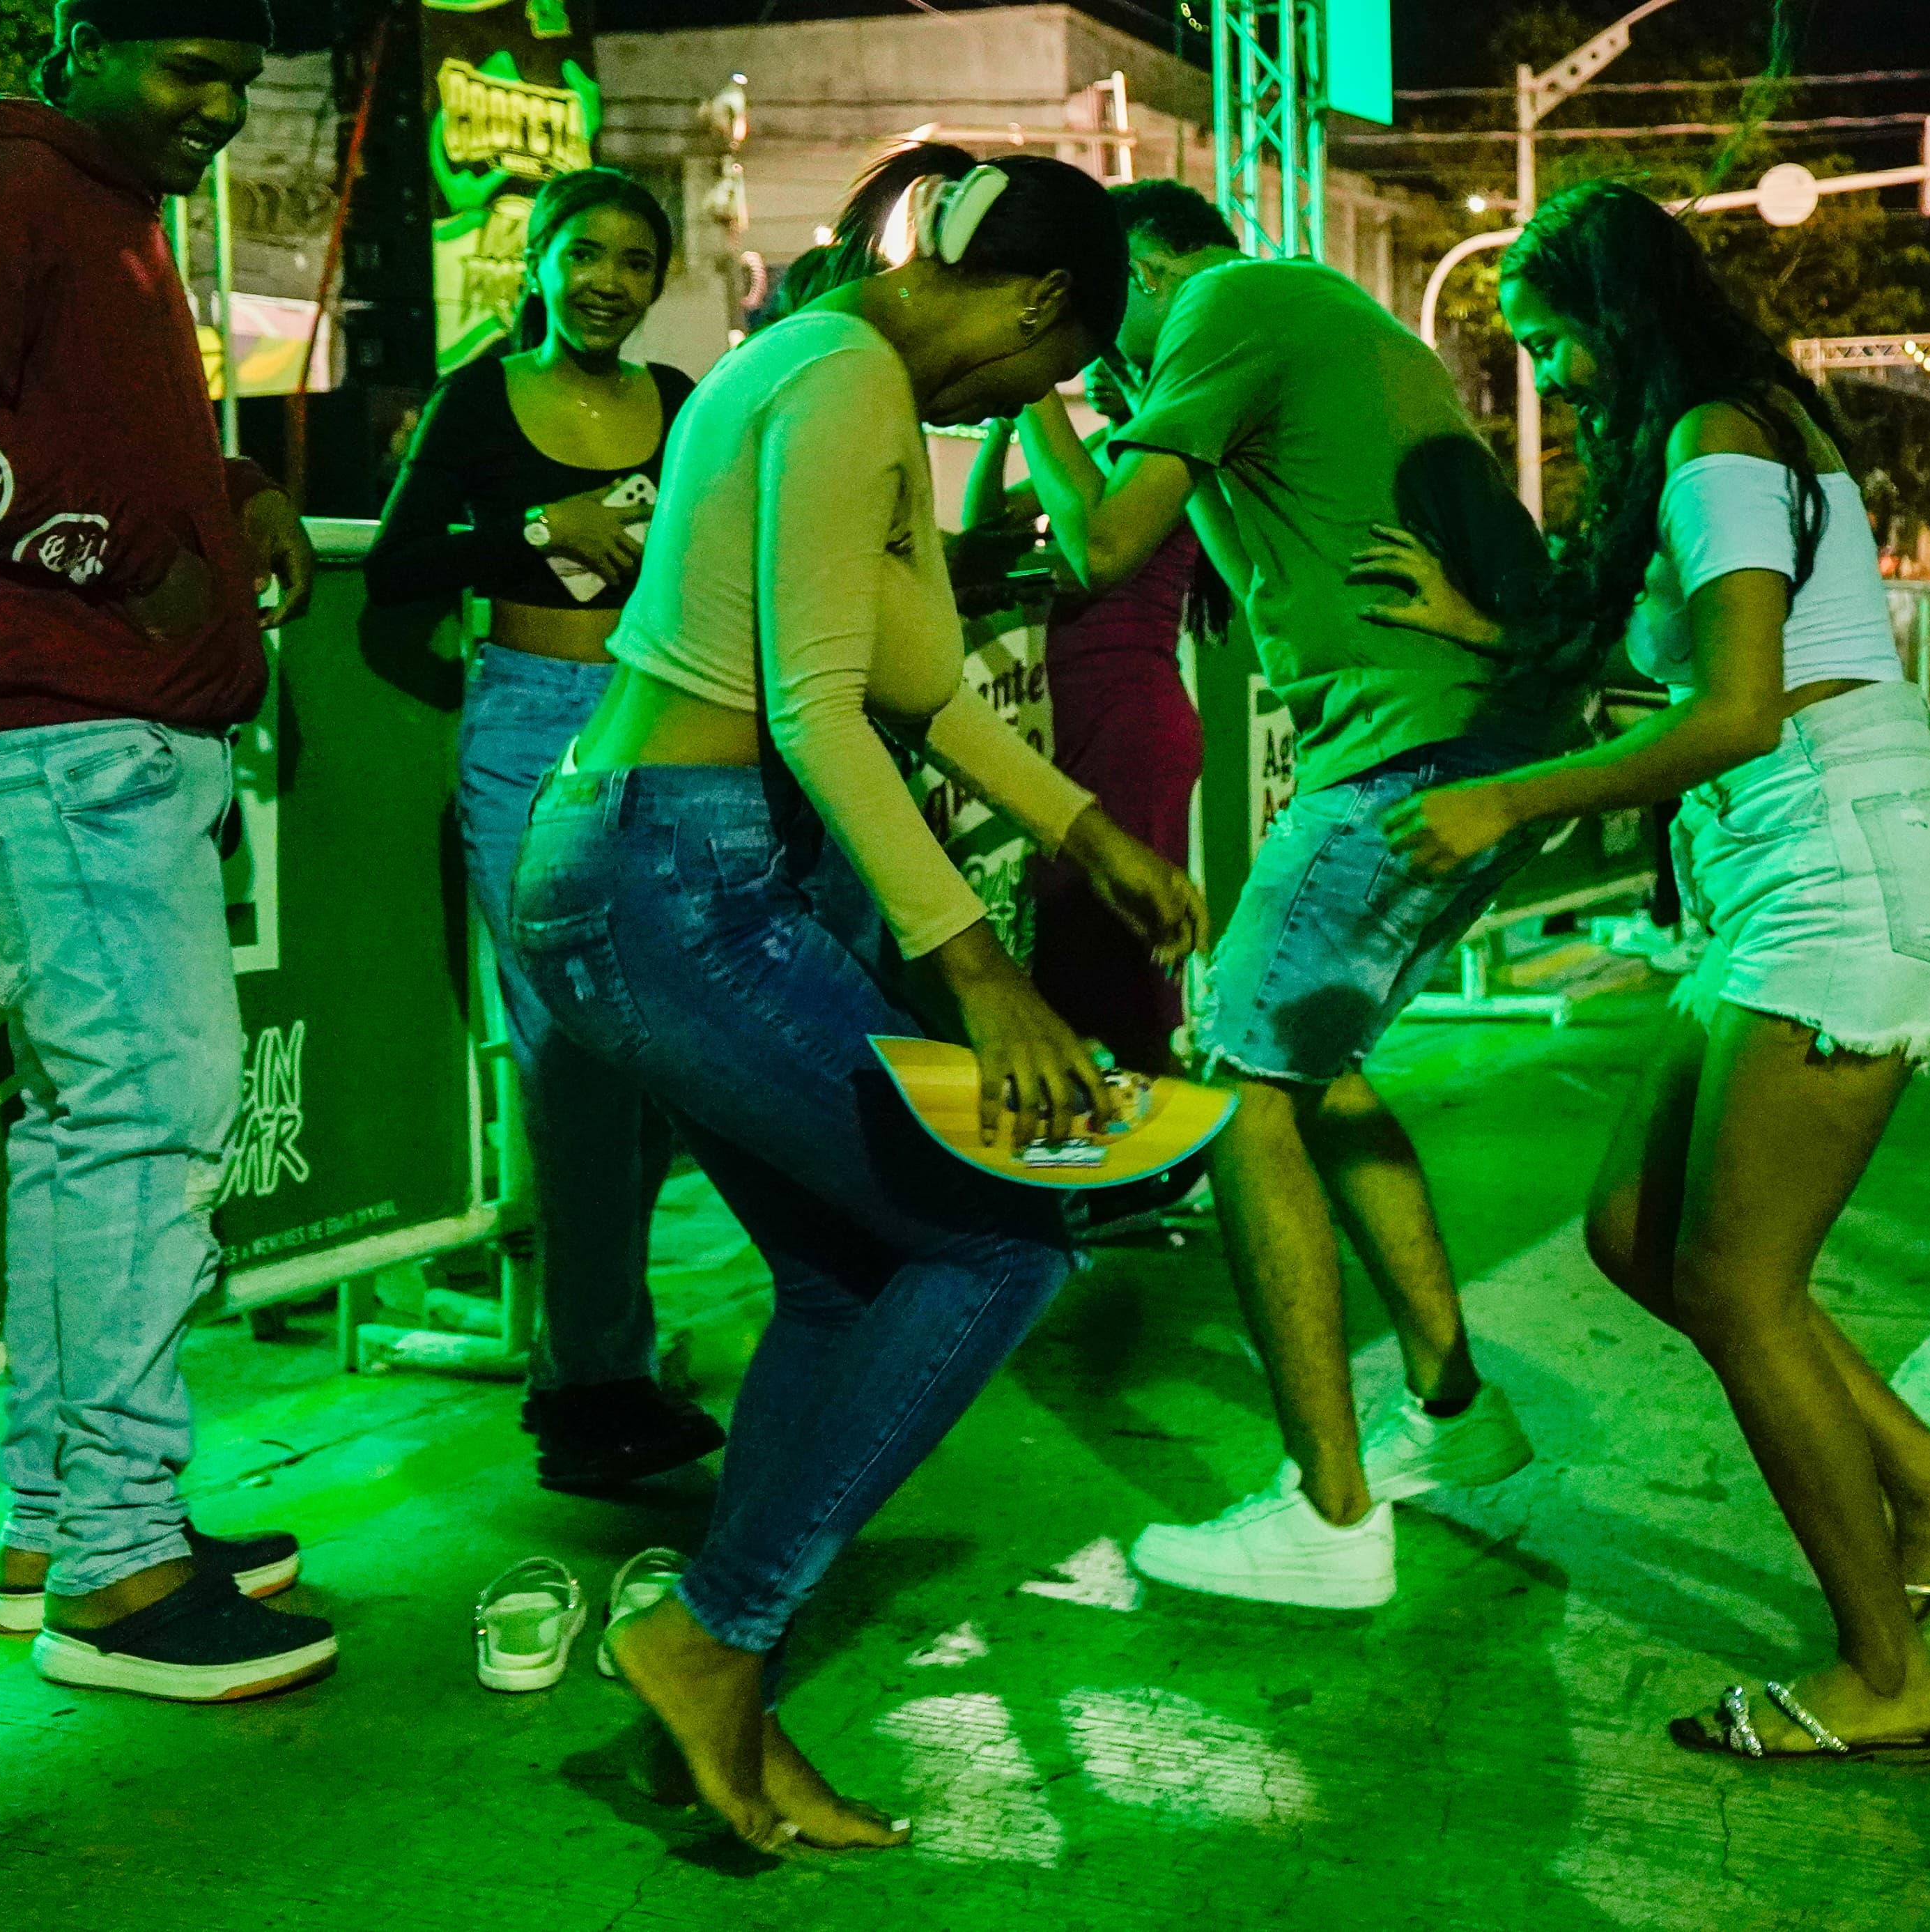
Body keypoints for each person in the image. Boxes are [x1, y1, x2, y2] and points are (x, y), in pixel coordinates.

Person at [511, 148, 1203, 1855]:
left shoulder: (853, 379)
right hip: (667, 878)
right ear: (1040, 306)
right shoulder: (834, 374)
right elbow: (821, 709)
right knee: (1000, 1243)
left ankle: (726, 1678)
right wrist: (983, 972)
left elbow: (919, 680)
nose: (1030, 403)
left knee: (843, 1271)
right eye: (1049, 372)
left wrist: (1084, 827)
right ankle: (710, 1631)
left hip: (678, 870)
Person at [1359, 180, 1930, 1763]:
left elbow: (1732, 713)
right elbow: (1683, 667)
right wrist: (1469, 619)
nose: (1550, 379)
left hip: (1845, 881)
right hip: (1784, 885)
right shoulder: (1720, 437)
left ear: (1623, 311)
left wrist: (1501, 799)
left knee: (1736, 1283)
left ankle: (1887, 1672)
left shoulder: (1719, 442)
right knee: (1631, 1233)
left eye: (1556, 341)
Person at [0, 0, 329, 1699]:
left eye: (234, 81)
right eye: (183, 68)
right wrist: (132, 554)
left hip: (70, 726)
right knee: (148, 1117)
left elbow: (55, 420)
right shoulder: (8, 190)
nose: (215, 105)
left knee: (89, 1127)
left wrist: (220, 489)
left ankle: (63, 1521)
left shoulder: (93, 208)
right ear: (75, 54)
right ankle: (120, 1577)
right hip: (51, 726)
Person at [1018, 178, 1573, 1609]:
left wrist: (1027, 392)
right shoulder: (1303, 311)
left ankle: (1328, 1516)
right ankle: (1456, 1412)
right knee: (1315, 1071)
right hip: (1453, 735)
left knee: (1239, 1087)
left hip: (1398, 749)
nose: (1101, 360)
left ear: (1144, 271)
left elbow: (1096, 542)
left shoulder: (1221, 303)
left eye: (1090, 318)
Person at [367, 169, 723, 1492]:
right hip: (526, 729)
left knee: (657, 1068)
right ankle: (594, 1383)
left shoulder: (681, 409)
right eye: (586, 254)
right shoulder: (477, 395)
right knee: (570, 1049)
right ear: (540, 258)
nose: (609, 282)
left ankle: (590, 1354)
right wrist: (533, 527)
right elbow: (400, 571)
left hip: (656, 727)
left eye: (636, 261)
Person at [965, 354, 1214, 1078]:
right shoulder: (1095, 460)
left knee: (1123, 961)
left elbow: (1089, 552)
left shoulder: (1159, 468)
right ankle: (1118, 1157)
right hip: (1079, 727)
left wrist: (1131, 401)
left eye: (1120, 359)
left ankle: (1168, 1150)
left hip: (1132, 721)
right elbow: (986, 527)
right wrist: (1003, 426)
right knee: (1072, 953)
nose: (1098, 372)